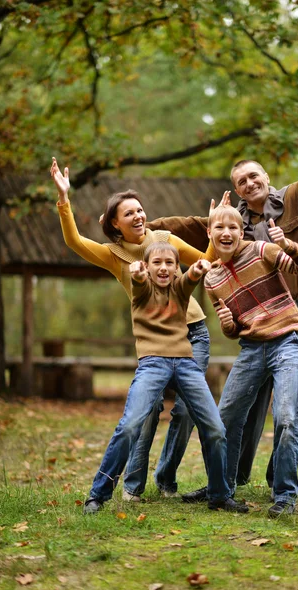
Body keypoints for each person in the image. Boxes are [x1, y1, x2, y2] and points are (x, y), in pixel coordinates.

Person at [147, 96, 298, 491]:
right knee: (250, 402)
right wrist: (137, 226)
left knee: (295, 398)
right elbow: (187, 226)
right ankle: (235, 476)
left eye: (254, 177)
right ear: (236, 189)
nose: (249, 184)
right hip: (256, 320)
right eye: (242, 181)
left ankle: (280, 475)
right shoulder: (232, 221)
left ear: (266, 177)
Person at [50, 157, 215, 502]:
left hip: (192, 332)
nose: (139, 217)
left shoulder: (165, 238)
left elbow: (206, 260)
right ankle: (133, 486)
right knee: (148, 410)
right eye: (129, 214)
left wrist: (215, 232)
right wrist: (64, 200)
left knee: (186, 411)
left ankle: (167, 478)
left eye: (140, 210)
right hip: (154, 342)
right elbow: (76, 242)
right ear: (114, 223)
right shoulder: (113, 255)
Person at [82, 240, 248, 514]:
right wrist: (136, 274)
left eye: (169, 263)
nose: (163, 268)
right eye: (156, 263)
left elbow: (190, 279)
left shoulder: (180, 290)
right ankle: (98, 494)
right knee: (130, 425)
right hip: (153, 363)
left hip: (185, 363)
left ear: (175, 268)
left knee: (216, 429)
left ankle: (219, 495)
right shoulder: (142, 290)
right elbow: (138, 283)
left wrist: (197, 269)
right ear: (147, 267)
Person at [196, 205, 298, 517]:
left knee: (287, 417)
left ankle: (285, 495)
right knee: (224, 419)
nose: (226, 233)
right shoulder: (211, 280)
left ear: (241, 232)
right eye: (219, 228)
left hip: (288, 340)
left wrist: (288, 244)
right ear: (209, 234)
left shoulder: (262, 250)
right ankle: (221, 488)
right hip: (252, 348)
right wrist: (227, 324)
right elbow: (234, 329)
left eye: (233, 228)